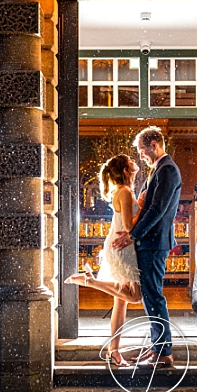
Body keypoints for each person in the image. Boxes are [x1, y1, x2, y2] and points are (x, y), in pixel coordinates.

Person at [113, 126, 181, 368]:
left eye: (142, 150)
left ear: (154, 144)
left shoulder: (168, 170)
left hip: (153, 242)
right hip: (149, 242)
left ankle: (164, 353)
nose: (141, 155)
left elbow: (157, 210)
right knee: (151, 297)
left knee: (153, 297)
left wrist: (133, 235)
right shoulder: (159, 170)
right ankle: (158, 349)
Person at [64, 154, 142, 367]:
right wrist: (143, 209)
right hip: (122, 246)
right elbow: (128, 226)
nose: (135, 162)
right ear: (126, 170)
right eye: (130, 162)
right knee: (135, 296)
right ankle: (88, 280)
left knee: (121, 301)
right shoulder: (125, 192)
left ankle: (114, 350)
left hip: (119, 244)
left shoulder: (124, 191)